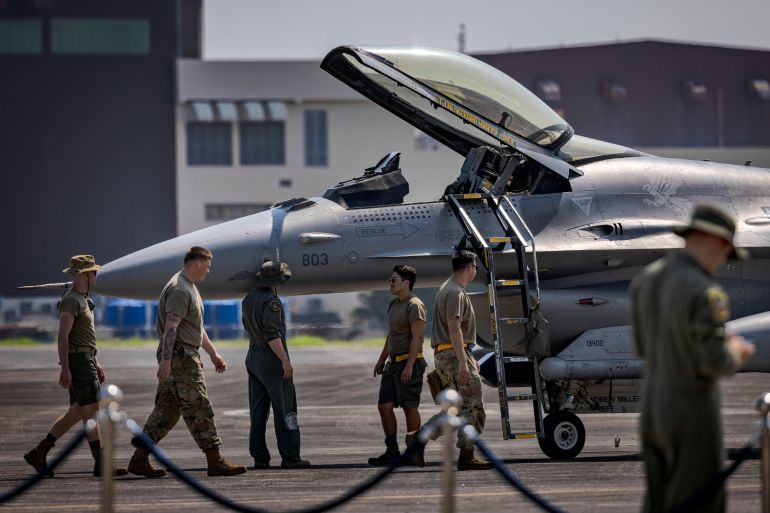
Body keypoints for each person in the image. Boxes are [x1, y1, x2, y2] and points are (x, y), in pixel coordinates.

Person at [630, 204, 755, 513]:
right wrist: (737, 351)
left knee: (658, 503)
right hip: (691, 413)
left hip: (653, 410)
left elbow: (643, 347)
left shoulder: (646, 279)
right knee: (699, 501)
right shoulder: (705, 290)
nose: (723, 261)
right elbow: (714, 361)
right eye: (726, 252)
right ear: (719, 241)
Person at [127, 246, 246, 478]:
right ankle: (215, 460)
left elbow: (195, 327)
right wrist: (166, 361)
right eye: (207, 267)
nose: (208, 271)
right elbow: (171, 328)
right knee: (199, 406)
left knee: (167, 410)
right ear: (197, 264)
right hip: (181, 357)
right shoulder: (180, 290)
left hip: (183, 354)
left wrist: (213, 353)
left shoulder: (189, 286)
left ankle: (139, 458)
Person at [23, 255, 128, 478]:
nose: (96, 276)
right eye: (93, 272)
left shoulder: (83, 299)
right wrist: (65, 367)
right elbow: (63, 335)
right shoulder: (72, 300)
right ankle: (100, 462)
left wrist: (95, 361)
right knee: (90, 410)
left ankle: (39, 452)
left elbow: (83, 337)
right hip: (79, 362)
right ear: (84, 275)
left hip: (85, 359)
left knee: (79, 411)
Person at [406, 250, 492, 471]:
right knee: (473, 407)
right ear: (470, 268)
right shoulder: (455, 292)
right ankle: (467, 456)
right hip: (454, 355)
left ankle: (419, 437)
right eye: (475, 268)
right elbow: (454, 328)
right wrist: (463, 362)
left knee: (457, 410)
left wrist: (468, 358)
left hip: (449, 354)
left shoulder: (448, 288)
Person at [241, 260, 310, 469]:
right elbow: (272, 335)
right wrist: (285, 361)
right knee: (285, 408)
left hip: (253, 356)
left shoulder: (248, 299)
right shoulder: (272, 301)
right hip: (271, 358)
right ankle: (291, 456)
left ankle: (259, 457)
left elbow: (248, 327)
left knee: (257, 411)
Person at [368, 265, 427, 466]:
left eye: (394, 280)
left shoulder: (415, 305)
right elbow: (392, 335)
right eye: (391, 280)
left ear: (406, 282)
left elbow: (417, 337)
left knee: (409, 407)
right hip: (392, 363)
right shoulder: (394, 304)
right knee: (384, 406)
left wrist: (409, 366)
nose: (391, 283)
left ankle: (414, 452)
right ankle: (392, 451)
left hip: (409, 362)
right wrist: (381, 359)